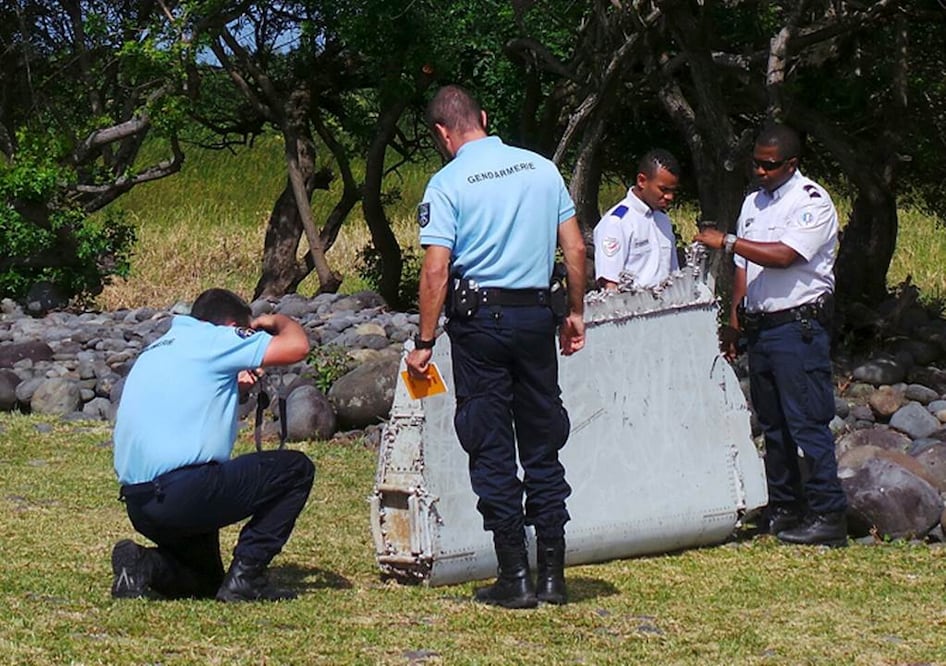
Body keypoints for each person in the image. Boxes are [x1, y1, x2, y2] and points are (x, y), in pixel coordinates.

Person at [405, 85, 586, 609]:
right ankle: (553, 573)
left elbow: (436, 269)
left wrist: (424, 340)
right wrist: (574, 313)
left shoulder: (447, 183)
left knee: (489, 445)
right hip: (535, 318)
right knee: (543, 442)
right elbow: (573, 246)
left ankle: (514, 575)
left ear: (443, 132)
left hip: (480, 323)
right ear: (484, 117)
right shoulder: (540, 168)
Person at [695, 124, 847, 547]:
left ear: (791, 164)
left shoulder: (811, 202)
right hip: (762, 325)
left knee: (807, 422)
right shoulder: (752, 203)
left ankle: (827, 511)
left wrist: (726, 241)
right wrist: (735, 321)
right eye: (755, 162)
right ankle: (784, 505)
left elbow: (783, 257)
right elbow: (745, 270)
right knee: (772, 425)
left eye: (769, 164)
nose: (760, 170)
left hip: (797, 326)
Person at [110, 288, 315, 601]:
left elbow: (186, 401)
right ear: (234, 327)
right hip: (183, 492)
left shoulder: (158, 349)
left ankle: (144, 565)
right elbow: (298, 347)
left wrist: (235, 386)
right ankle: (248, 577)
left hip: (142, 504)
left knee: (204, 582)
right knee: (295, 469)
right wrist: (278, 320)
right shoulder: (216, 339)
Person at [594, 149, 681, 290]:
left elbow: (673, 273)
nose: (669, 197)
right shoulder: (617, 223)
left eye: (672, 191)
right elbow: (610, 284)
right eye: (663, 190)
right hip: (634, 308)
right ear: (642, 181)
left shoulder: (663, 220)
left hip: (667, 306)